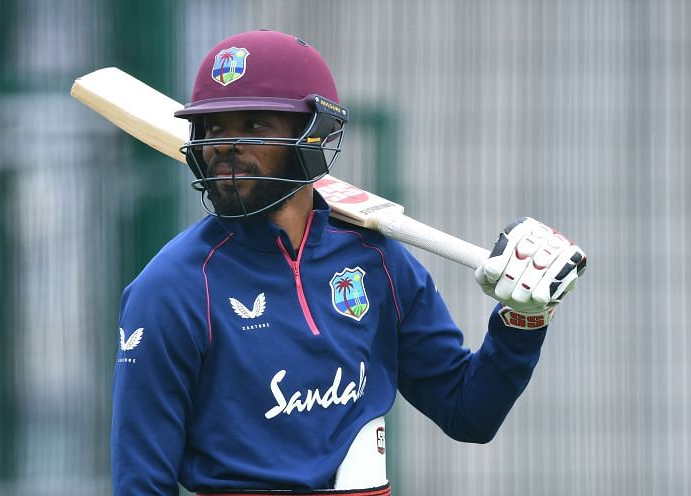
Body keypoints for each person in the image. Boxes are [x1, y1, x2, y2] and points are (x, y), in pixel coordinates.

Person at [111, 30, 587, 496]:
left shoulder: (378, 262)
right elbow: (141, 482)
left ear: (313, 133)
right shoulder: (170, 288)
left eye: (253, 125)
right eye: (213, 128)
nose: (223, 147)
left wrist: (523, 320)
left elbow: (469, 413)